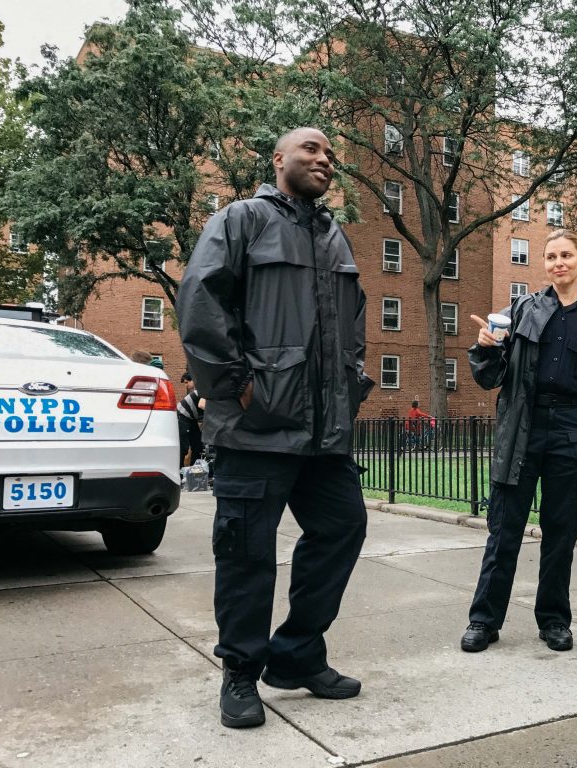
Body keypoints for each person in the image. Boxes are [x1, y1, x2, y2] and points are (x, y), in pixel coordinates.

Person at [177, 127, 374, 729]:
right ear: (278, 158)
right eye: (311, 149)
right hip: (255, 427)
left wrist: (353, 381)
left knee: (342, 527)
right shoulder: (242, 219)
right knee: (247, 554)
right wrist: (235, 385)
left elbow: (353, 321)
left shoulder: (333, 234)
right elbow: (200, 301)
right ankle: (240, 670)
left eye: (331, 154)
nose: (324, 159)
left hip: (323, 433)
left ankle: (296, 655)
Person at [461, 229, 577, 654]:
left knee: (561, 534)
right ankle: (484, 621)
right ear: (544, 263)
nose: (559, 263)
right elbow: (489, 376)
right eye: (551, 256)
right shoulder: (522, 310)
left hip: (573, 431)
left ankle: (555, 620)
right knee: (504, 530)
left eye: (566, 255)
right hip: (523, 424)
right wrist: (487, 347)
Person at [177, 373, 205, 467]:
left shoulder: (202, 390)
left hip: (191, 419)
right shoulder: (200, 391)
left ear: (193, 380)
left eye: (187, 382)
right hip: (182, 417)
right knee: (183, 447)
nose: (186, 385)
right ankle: (179, 471)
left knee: (198, 444)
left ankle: (194, 469)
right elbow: (202, 405)